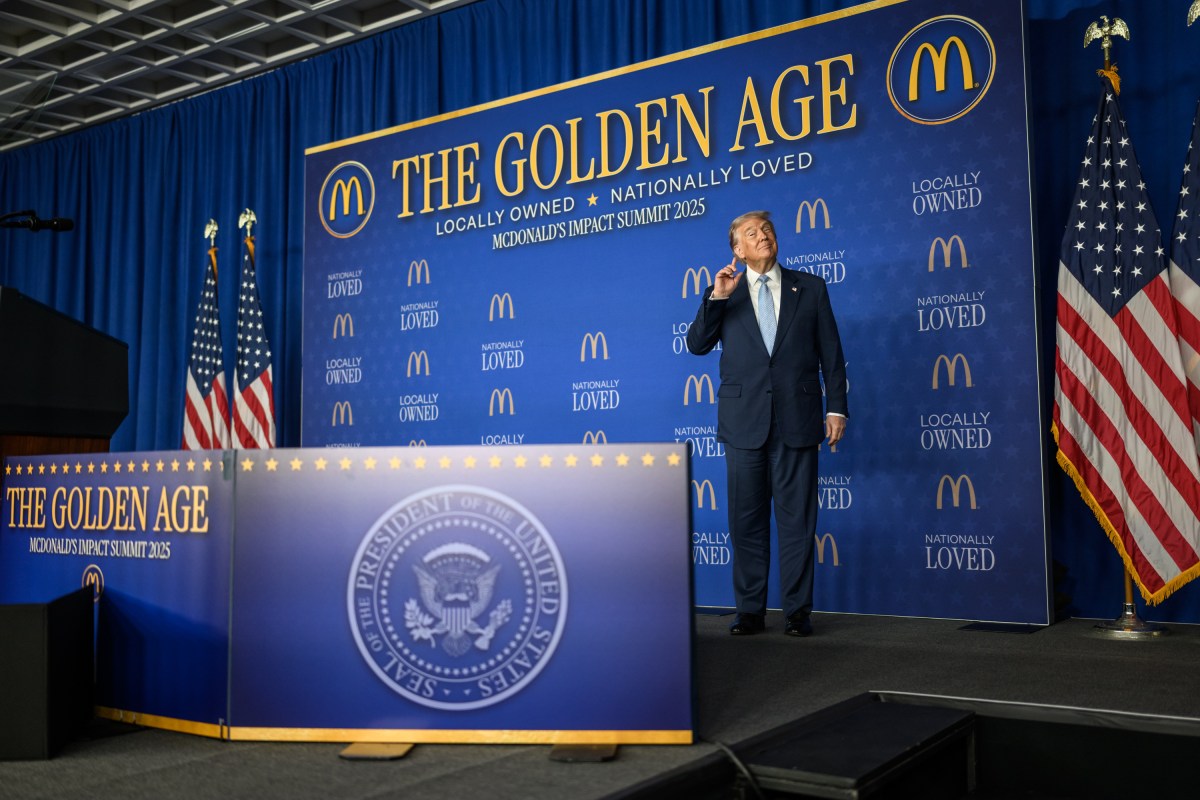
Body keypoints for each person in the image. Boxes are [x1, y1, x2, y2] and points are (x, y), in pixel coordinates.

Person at [686, 210, 847, 637]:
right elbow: (697, 345)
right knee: (746, 522)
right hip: (743, 424)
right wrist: (717, 297)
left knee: (798, 522)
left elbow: (830, 354)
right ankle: (750, 611)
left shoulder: (810, 287)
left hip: (798, 418)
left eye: (768, 230)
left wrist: (837, 408)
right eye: (752, 234)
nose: (764, 237)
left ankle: (797, 612)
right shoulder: (726, 292)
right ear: (736, 250)